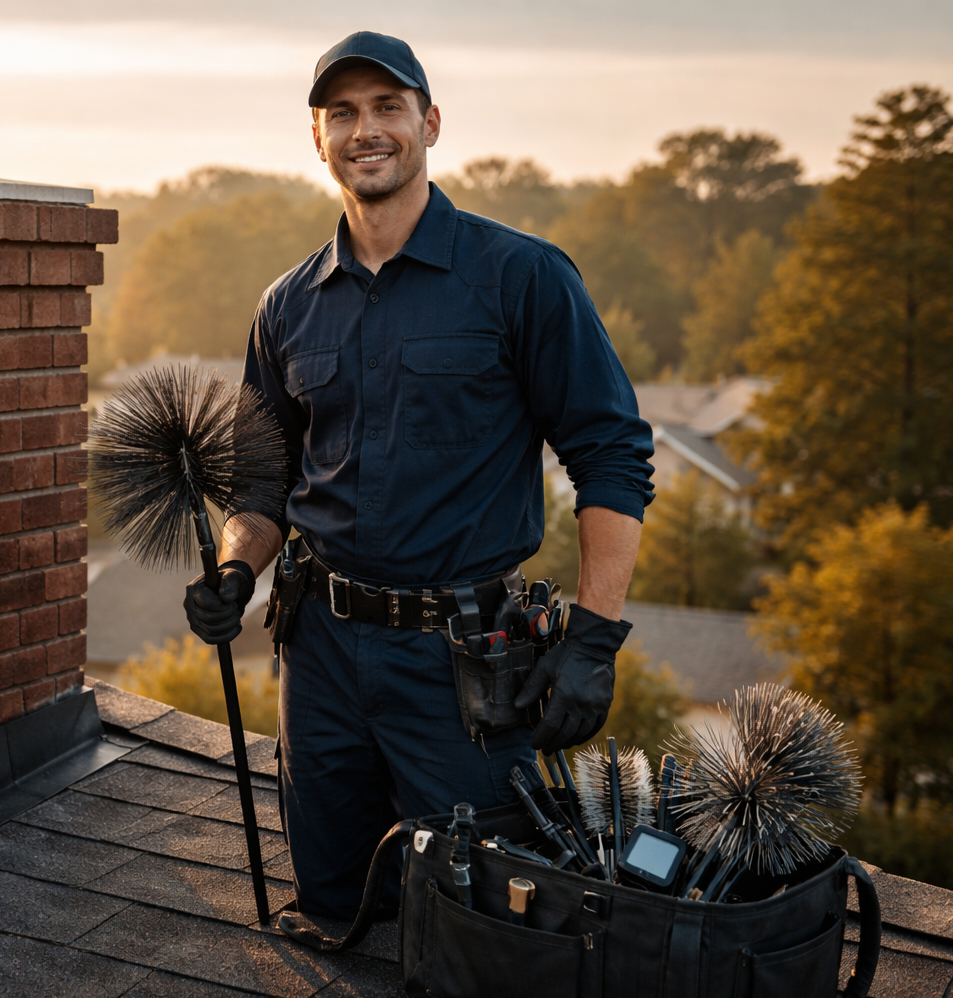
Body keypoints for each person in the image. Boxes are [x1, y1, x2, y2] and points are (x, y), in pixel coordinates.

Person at [184, 30, 655, 921]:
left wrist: (593, 640)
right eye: (343, 114)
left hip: (463, 665)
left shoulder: (521, 277)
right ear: (317, 139)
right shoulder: (287, 305)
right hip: (317, 653)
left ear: (430, 122)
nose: (367, 130)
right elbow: (261, 481)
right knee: (332, 903)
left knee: (481, 926)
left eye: (388, 108)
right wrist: (236, 568)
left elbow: (612, 455)